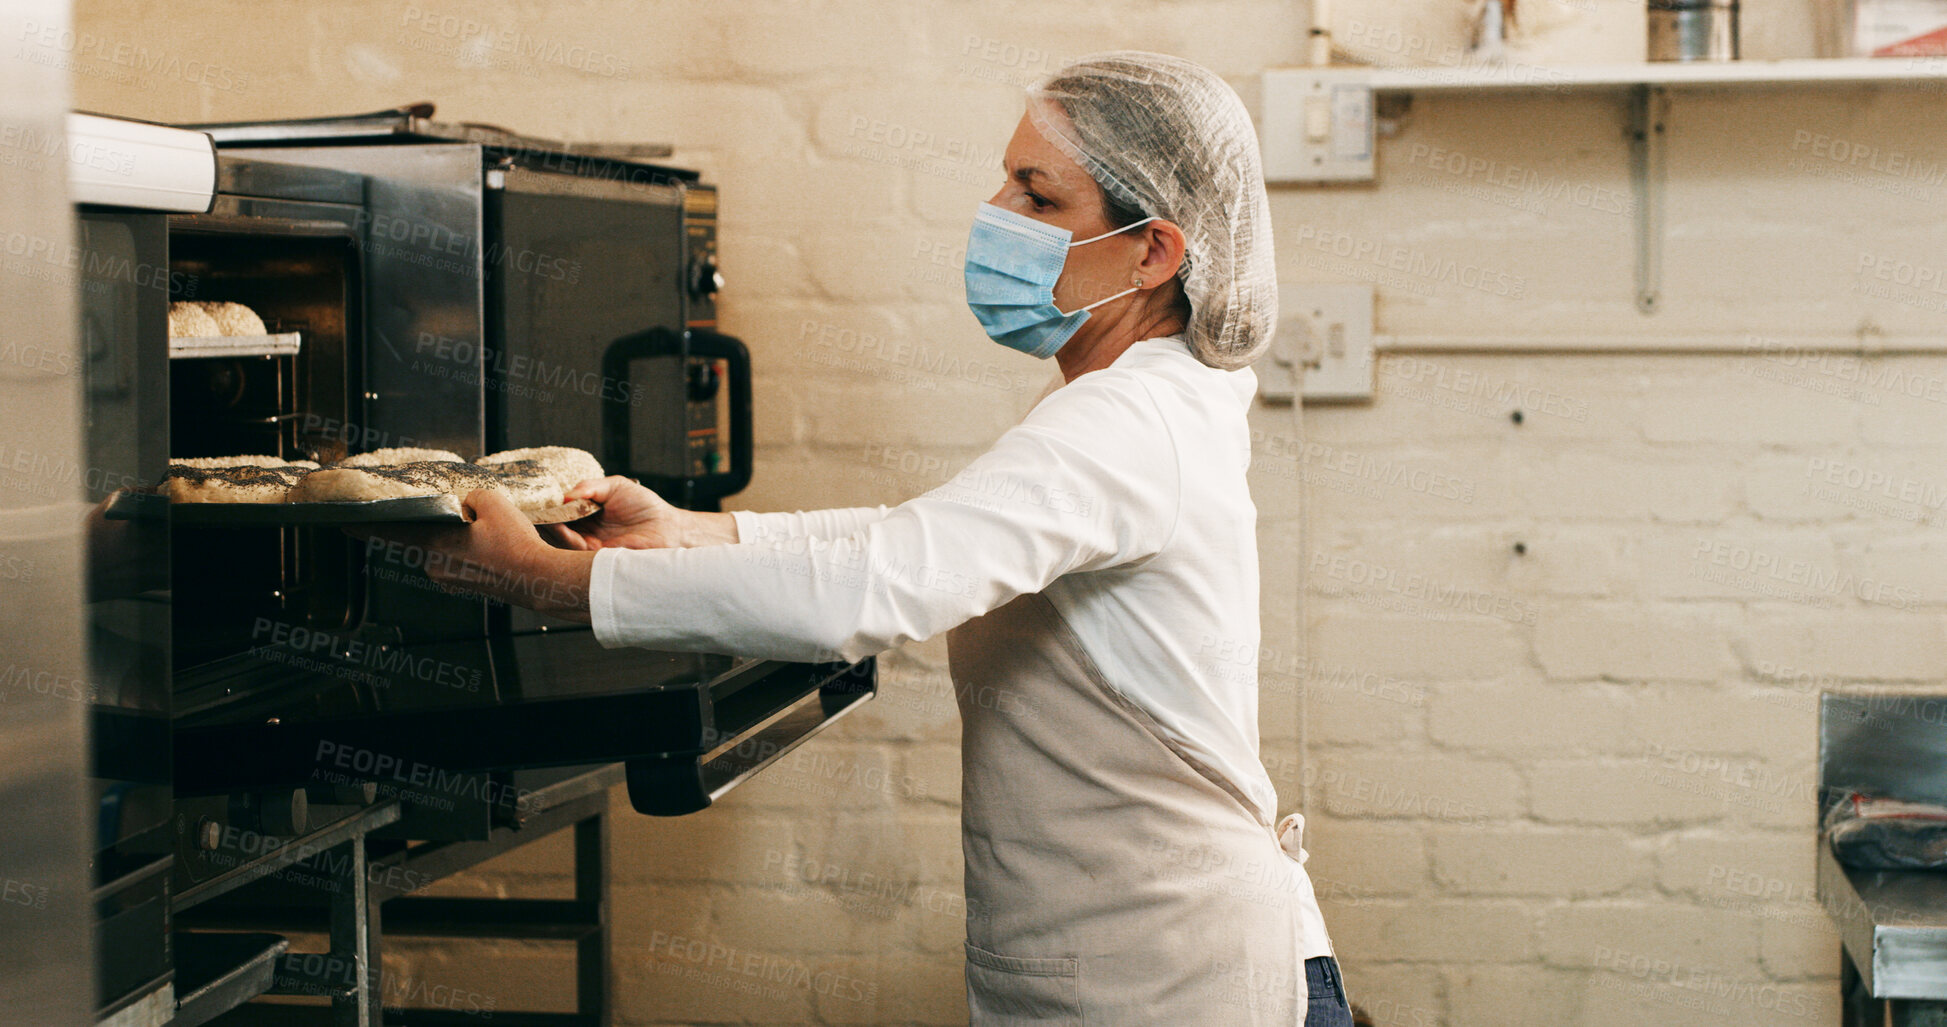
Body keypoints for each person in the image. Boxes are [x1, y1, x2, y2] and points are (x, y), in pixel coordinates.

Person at [392, 50, 1350, 1026]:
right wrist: (690, 534)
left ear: (1152, 253)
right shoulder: (1136, 402)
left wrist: (560, 585)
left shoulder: (1127, 425)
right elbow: (914, 537)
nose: (996, 211)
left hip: (1183, 983)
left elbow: (881, 584)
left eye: (1037, 193)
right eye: (1006, 177)